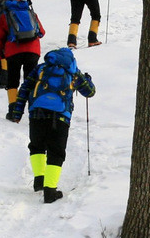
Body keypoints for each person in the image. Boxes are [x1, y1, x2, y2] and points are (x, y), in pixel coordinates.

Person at [7, 47, 95, 203]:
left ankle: (39, 180)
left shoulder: (41, 68)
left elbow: (25, 88)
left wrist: (17, 112)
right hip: (61, 116)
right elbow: (90, 92)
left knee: (37, 146)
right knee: (56, 152)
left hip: (36, 113)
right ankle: (50, 190)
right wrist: (88, 80)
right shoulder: (73, 71)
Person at [0, 0, 44, 117]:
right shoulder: (30, 12)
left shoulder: (5, 15)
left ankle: (14, 110)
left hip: (13, 52)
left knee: (13, 80)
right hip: (33, 51)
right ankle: (33, 108)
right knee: (30, 79)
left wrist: (1, 51)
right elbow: (42, 32)